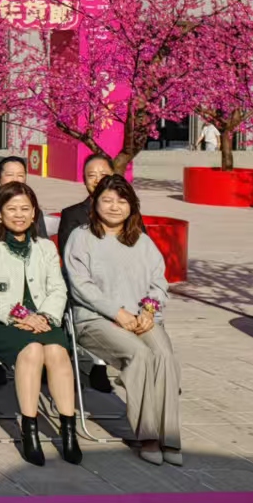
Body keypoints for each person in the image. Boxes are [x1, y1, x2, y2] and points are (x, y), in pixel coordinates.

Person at [65, 175, 181, 466]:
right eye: (107, 200)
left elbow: (159, 282)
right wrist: (118, 313)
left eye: (121, 200)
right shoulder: (81, 237)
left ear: (132, 206)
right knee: (139, 354)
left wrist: (149, 311)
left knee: (164, 356)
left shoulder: (142, 240)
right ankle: (148, 435)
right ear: (95, 203)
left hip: (141, 318)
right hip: (95, 319)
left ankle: (169, 435)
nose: (114, 207)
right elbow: (81, 286)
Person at [0, 182, 80, 466]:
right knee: (31, 350)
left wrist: (46, 316)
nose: (19, 215)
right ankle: (29, 429)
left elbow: (58, 289)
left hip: (43, 319)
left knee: (56, 352)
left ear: (34, 214)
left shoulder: (45, 247)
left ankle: (69, 429)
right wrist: (20, 315)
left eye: (25, 209)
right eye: (12, 209)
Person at [0, 156, 49, 241]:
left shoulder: (33, 210)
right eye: (9, 175)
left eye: (20, 175)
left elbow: (43, 242)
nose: (15, 179)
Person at [57, 153, 116, 256]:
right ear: (84, 180)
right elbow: (67, 254)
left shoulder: (126, 211)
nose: (98, 180)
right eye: (92, 175)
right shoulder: (72, 214)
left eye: (103, 175)